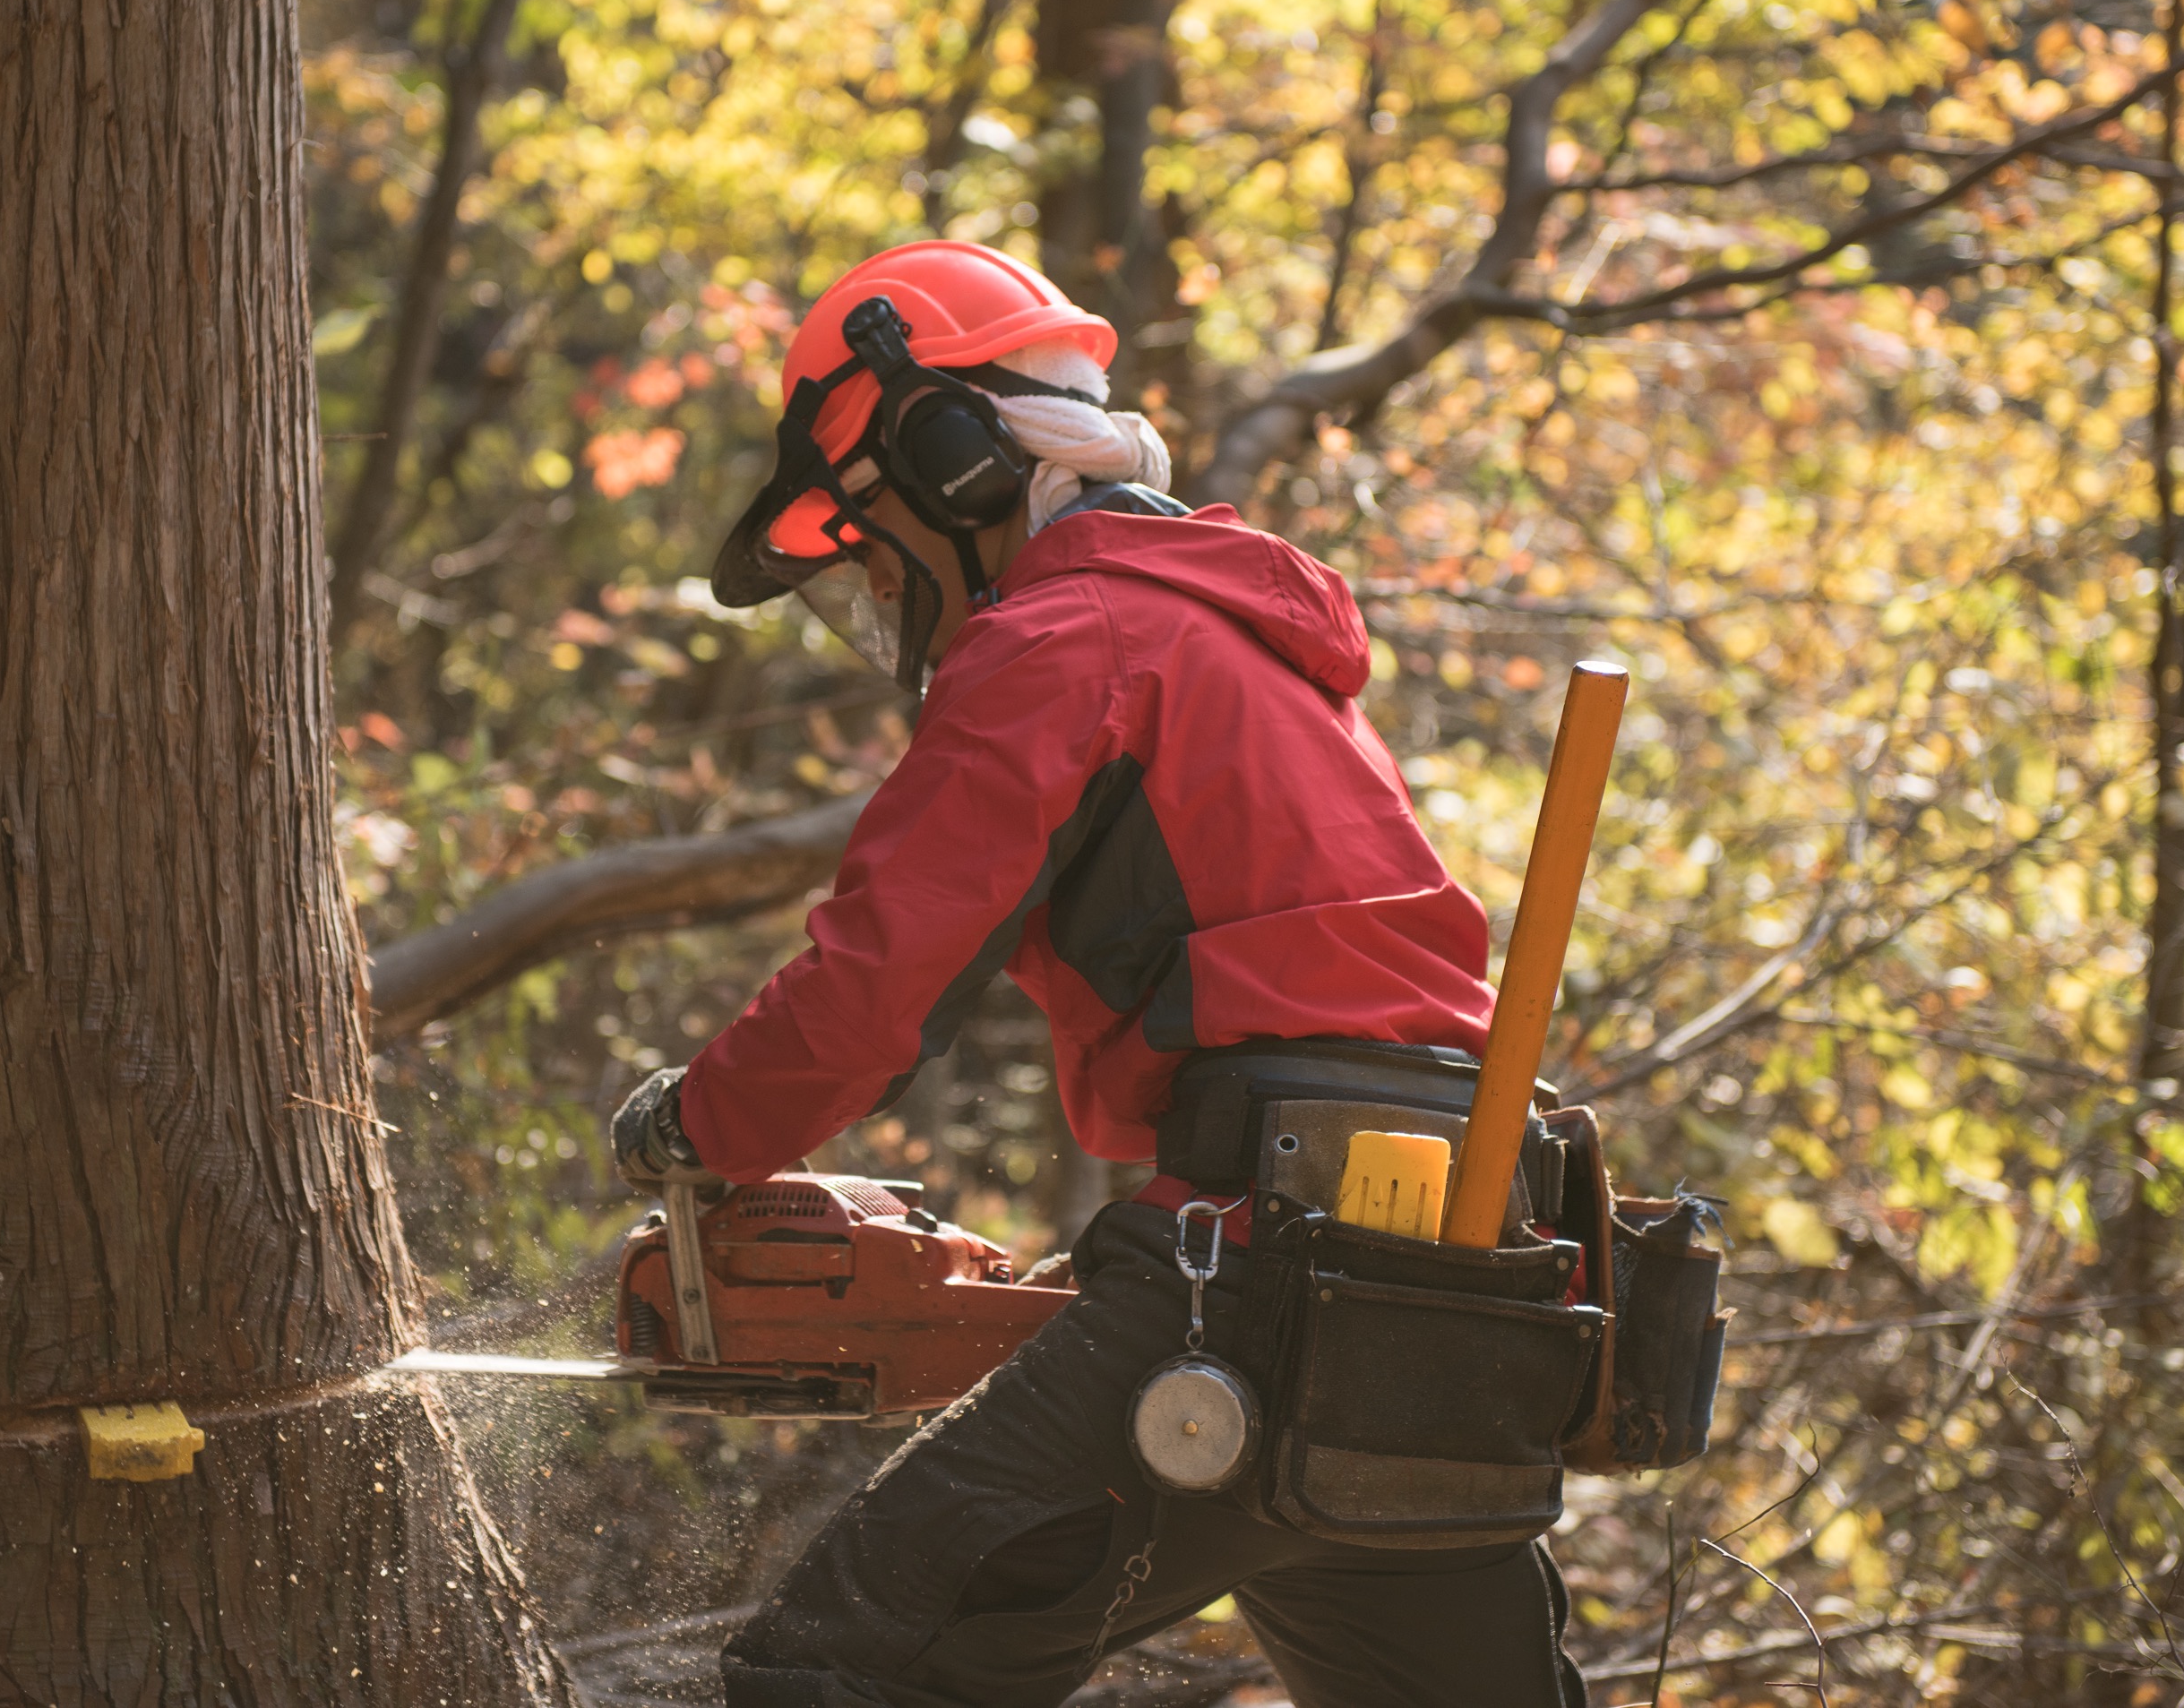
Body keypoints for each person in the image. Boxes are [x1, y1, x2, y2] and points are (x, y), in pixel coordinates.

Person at [606, 239, 1588, 1708]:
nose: (879, 582)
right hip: (1452, 1277)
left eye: (871, 541)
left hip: (1260, 1279)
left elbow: (873, 989)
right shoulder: (1246, 642)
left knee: (839, 1677)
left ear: (943, 461)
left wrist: (697, 1124)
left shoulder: (1068, 632)